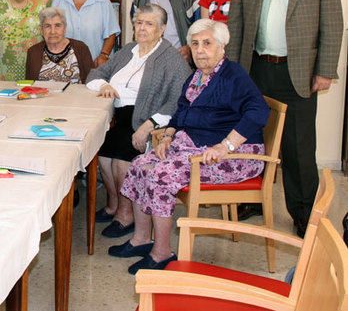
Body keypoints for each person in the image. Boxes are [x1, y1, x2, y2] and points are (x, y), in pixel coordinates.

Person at [111, 19, 269, 274]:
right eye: (195, 44)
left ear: (222, 46)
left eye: (207, 43)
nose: (200, 49)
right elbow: (181, 111)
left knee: (161, 174)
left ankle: (162, 254)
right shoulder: (196, 76)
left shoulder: (233, 75)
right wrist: (168, 137)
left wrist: (225, 145)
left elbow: (259, 111)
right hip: (196, 148)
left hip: (233, 156)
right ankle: (141, 238)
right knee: (140, 163)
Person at [227, 0, 343, 237]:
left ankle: (304, 215)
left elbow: (332, 23)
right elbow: (236, 22)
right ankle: (250, 200)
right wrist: (235, 71)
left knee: (298, 147)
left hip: (299, 71)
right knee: (251, 141)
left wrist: (325, 71)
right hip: (256, 69)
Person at [85, 4, 190, 238]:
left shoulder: (170, 58)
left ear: (162, 29)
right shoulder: (128, 50)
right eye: (138, 23)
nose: (142, 28)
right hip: (121, 118)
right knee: (102, 153)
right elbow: (95, 74)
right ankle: (114, 205)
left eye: (149, 23)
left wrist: (150, 123)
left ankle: (127, 214)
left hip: (148, 122)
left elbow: (180, 99)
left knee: (122, 159)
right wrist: (104, 85)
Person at [51, 0, 120, 67]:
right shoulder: (59, 0)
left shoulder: (102, 1)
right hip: (64, 65)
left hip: (94, 64)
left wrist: (104, 55)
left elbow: (111, 33)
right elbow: (51, 32)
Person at [25, 7, 93, 83]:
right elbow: (29, 85)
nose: (53, 31)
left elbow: (92, 81)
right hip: (44, 95)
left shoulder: (81, 48)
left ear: (64, 29)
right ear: (41, 30)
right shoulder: (33, 52)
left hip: (76, 94)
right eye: (48, 26)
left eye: (57, 26)